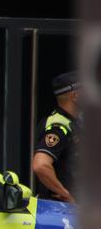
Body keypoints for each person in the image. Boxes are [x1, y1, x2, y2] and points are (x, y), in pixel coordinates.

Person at [32, 71, 82, 203]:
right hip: (61, 212)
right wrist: (66, 195)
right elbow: (40, 165)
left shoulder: (75, 122)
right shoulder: (58, 126)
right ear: (76, 95)